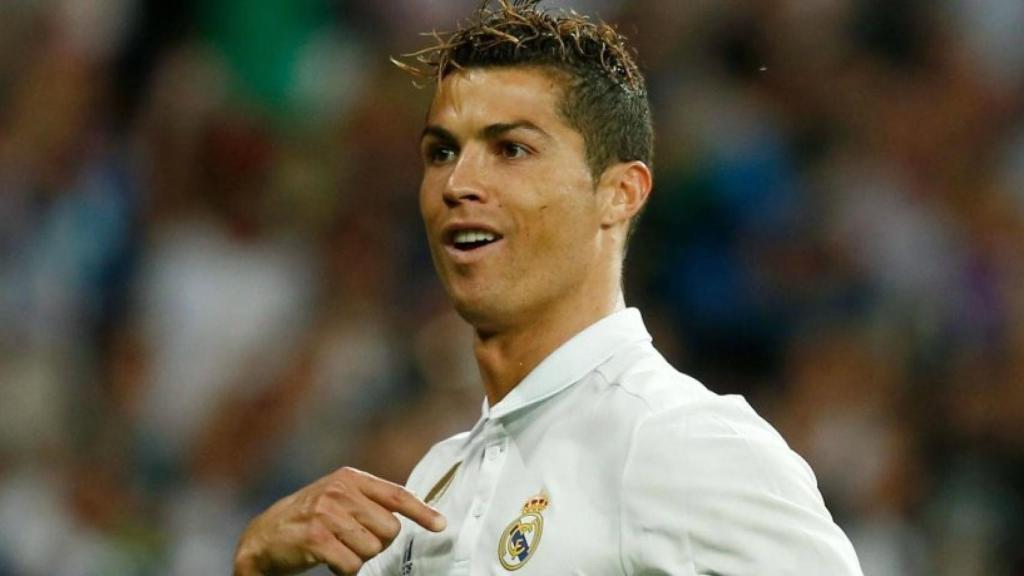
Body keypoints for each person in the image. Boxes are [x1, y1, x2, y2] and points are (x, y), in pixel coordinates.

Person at [233, 1, 864, 574]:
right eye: (441, 152)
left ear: (620, 193)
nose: (458, 183)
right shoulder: (432, 486)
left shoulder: (683, 442)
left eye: (510, 149)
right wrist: (257, 559)